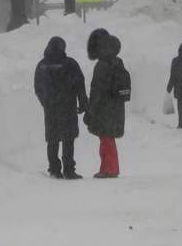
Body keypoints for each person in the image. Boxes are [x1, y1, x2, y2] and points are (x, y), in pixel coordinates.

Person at [34, 37, 88, 179]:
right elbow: (79, 84)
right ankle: (69, 170)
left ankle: (54, 169)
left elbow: (38, 87)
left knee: (52, 138)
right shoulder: (70, 64)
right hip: (68, 107)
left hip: (51, 109)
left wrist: (46, 102)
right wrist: (83, 103)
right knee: (68, 138)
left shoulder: (42, 65)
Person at [85, 32, 127, 178]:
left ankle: (110, 169)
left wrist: (91, 111)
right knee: (107, 139)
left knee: (106, 140)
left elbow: (97, 91)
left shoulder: (102, 65)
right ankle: (107, 167)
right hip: (116, 107)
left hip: (104, 108)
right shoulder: (117, 62)